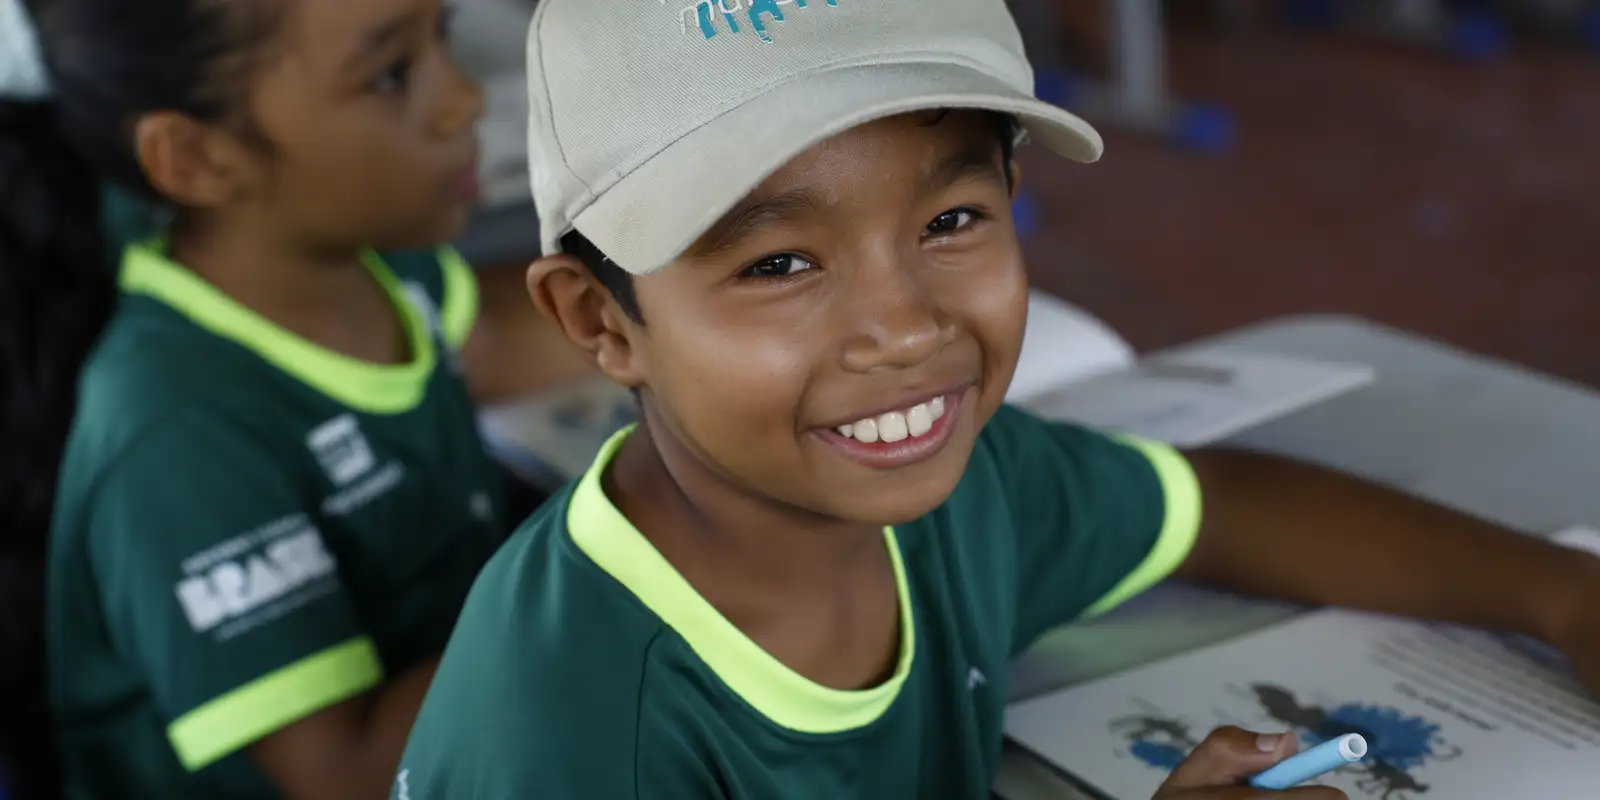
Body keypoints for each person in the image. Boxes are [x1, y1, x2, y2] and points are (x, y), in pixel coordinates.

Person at [397, 0, 1600, 798]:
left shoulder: (942, 491)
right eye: (777, 262)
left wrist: (1564, 592)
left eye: (951, 220)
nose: (907, 326)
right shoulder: (581, 733)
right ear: (603, 320)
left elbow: (1208, 499)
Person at [0, 0, 536, 796]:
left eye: (443, 35)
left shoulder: (371, 266)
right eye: (392, 73)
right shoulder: (174, 433)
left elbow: (510, 342)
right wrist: (627, 565)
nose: (464, 98)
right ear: (196, 158)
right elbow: (346, 775)